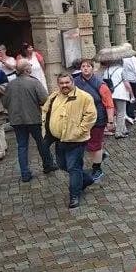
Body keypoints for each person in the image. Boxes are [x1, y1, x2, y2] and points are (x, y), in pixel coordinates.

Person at [42, 73, 97, 209]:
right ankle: (87, 179)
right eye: (62, 83)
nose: (64, 85)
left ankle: (74, 196)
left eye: (67, 82)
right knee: (62, 165)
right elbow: (45, 111)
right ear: (58, 84)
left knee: (73, 167)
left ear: (72, 82)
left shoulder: (84, 97)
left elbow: (91, 116)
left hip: (76, 140)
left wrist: (79, 131)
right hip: (59, 139)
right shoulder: (54, 96)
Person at [2, 59, 57, 182]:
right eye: (30, 65)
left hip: (16, 120)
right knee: (41, 142)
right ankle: (48, 165)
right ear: (27, 69)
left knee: (22, 146)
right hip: (33, 118)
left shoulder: (10, 84)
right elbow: (44, 99)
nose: (31, 67)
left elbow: (5, 103)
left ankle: (25, 173)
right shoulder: (34, 82)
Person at [73, 59, 115, 181]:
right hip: (81, 118)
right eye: (83, 66)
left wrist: (110, 120)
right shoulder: (74, 82)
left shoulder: (100, 84)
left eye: (88, 66)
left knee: (94, 145)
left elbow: (109, 103)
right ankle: (101, 155)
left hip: (98, 118)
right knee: (86, 143)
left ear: (92, 68)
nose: (85, 68)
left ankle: (97, 168)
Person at [103, 58, 134, 139]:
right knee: (121, 113)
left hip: (110, 94)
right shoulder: (121, 70)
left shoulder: (107, 70)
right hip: (120, 94)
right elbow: (126, 83)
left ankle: (124, 129)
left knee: (117, 113)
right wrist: (132, 94)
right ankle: (118, 132)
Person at [121, 43, 136, 121]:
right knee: (135, 98)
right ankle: (130, 114)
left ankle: (127, 113)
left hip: (124, 81)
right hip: (132, 80)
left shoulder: (121, 58)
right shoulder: (132, 58)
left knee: (127, 98)